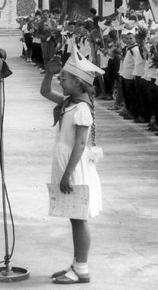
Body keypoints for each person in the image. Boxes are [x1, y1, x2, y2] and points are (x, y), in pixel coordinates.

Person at [40, 50, 103, 285]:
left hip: (74, 167)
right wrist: (48, 73)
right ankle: (77, 263)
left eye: (64, 78)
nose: (60, 81)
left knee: (79, 218)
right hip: (67, 164)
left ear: (78, 82)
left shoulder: (82, 109)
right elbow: (45, 92)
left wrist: (67, 174)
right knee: (74, 217)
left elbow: (79, 144)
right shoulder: (70, 102)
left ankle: (82, 269)